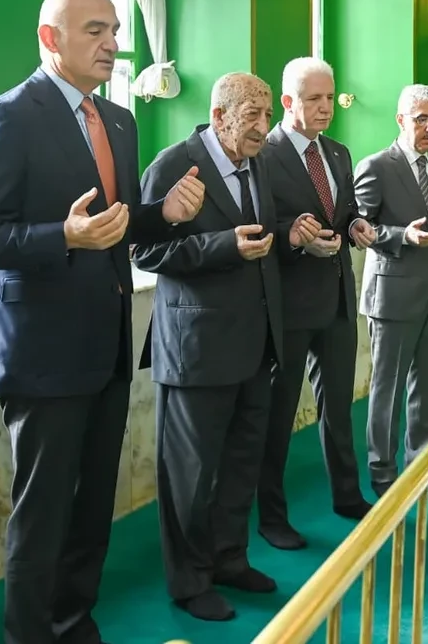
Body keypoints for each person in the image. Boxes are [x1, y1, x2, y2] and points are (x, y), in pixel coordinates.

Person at [0, 0, 205, 644]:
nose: (113, 45)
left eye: (115, 30)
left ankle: (74, 625)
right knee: (43, 517)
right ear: (49, 38)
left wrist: (160, 214)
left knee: (93, 510)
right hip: (40, 352)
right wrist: (60, 236)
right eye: (95, 31)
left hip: (107, 344)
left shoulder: (117, 119)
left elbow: (114, 225)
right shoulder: (5, 117)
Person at [133, 72, 316, 622]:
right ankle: (189, 583)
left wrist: (286, 237)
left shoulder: (255, 160)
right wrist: (221, 246)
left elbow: (254, 238)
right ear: (219, 116)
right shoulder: (171, 165)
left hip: (256, 345)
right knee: (190, 476)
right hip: (197, 350)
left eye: (267, 115)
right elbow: (143, 251)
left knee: (241, 463)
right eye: (253, 116)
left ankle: (230, 559)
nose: (265, 127)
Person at [256, 57, 377, 551]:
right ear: (288, 102)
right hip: (285, 307)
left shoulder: (340, 153)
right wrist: (294, 239)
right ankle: (271, 517)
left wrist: (356, 227)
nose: (325, 107)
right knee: (277, 417)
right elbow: (258, 222)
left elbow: (343, 211)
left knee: (338, 410)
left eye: (329, 97)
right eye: (313, 99)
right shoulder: (263, 154)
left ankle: (348, 497)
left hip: (336, 302)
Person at [355, 84, 428, 496]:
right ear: (401, 119)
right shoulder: (376, 167)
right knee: (386, 389)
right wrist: (402, 236)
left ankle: (425, 467)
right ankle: (383, 474)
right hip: (392, 296)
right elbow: (361, 229)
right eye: (422, 118)